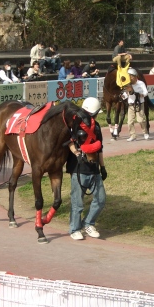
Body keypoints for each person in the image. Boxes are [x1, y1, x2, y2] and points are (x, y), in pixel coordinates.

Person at [66, 97, 107, 240]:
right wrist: (77, 153)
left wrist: (102, 167)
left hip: (94, 169)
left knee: (101, 199)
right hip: (79, 170)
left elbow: (100, 148)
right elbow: (69, 142)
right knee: (78, 203)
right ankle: (74, 229)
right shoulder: (74, 125)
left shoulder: (97, 127)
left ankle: (88, 223)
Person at [125, 67, 149, 142]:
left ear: (135, 76)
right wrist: (123, 96)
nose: (129, 78)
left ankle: (145, 132)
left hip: (139, 104)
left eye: (131, 76)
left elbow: (146, 92)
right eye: (128, 76)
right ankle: (132, 135)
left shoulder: (140, 83)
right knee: (129, 122)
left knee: (140, 120)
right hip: (131, 105)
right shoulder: (128, 85)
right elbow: (127, 94)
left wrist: (142, 95)